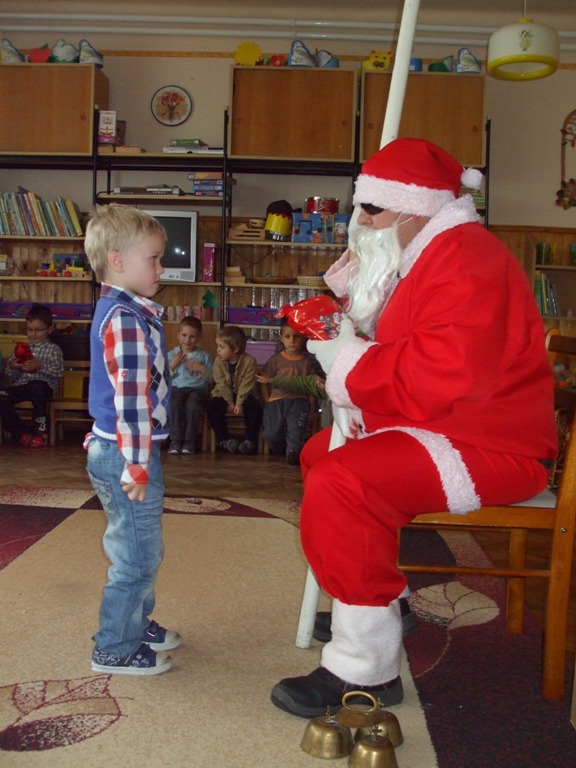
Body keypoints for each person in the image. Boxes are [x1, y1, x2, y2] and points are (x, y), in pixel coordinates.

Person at [270, 138, 557, 717]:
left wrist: (348, 359)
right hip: (447, 425)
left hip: (489, 444)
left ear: (415, 206)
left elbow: (441, 372)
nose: (360, 220)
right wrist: (359, 315)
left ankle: (366, 669)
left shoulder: (467, 260)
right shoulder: (429, 253)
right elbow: (413, 353)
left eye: (371, 209)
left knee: (344, 482)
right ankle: (385, 603)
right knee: (320, 455)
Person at [84, 204, 180, 676]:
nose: (161, 269)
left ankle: (134, 622)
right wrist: (137, 465)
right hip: (128, 453)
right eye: (154, 259)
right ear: (117, 260)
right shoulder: (124, 318)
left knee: (141, 546)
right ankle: (114, 647)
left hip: (119, 448)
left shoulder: (125, 311)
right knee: (135, 556)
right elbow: (132, 401)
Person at [0, 304, 63, 447]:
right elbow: (9, 375)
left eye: (39, 330)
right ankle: (21, 433)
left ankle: (40, 430)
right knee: (1, 395)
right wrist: (13, 366)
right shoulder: (21, 348)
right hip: (22, 387)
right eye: (29, 329)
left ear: (50, 329)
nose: (33, 334)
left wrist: (41, 365)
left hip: (43, 389)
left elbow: (58, 372)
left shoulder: (53, 349)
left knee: (36, 386)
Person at [259, 320, 322, 464]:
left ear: (303, 339)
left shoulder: (307, 362)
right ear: (281, 338)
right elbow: (263, 380)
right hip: (276, 402)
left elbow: (311, 386)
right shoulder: (275, 360)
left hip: (299, 402)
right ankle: (282, 448)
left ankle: (293, 452)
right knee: (271, 433)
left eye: (296, 336)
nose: (292, 340)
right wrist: (267, 399)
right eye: (287, 336)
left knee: (296, 430)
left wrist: (312, 406)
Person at [207, 324, 262, 455]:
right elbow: (221, 383)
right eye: (217, 346)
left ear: (236, 349)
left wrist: (239, 403)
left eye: (222, 347)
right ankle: (224, 440)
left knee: (254, 407)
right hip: (224, 394)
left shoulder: (249, 361)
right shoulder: (218, 361)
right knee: (212, 405)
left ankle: (249, 441)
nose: (218, 350)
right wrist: (230, 402)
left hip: (245, 393)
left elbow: (246, 385)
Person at [167, 315, 213, 454]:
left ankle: (189, 442)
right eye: (184, 335)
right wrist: (172, 365)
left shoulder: (204, 356)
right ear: (178, 335)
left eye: (192, 336)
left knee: (193, 405)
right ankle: (175, 441)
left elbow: (212, 379)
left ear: (199, 338)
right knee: (175, 403)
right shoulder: (171, 355)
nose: (187, 340)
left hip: (197, 390)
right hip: (176, 389)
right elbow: (162, 378)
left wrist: (201, 369)